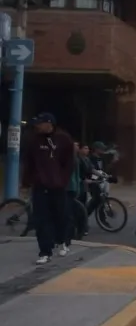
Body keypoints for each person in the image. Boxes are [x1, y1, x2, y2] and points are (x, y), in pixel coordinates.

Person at [23, 113, 75, 264]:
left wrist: (62, 180)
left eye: (40, 123)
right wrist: (26, 182)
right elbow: (29, 163)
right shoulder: (33, 140)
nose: (37, 126)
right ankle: (45, 251)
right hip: (40, 185)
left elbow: (69, 163)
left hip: (58, 186)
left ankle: (62, 241)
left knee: (61, 216)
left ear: (49, 123)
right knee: (41, 219)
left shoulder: (64, 139)